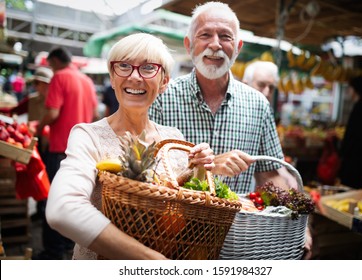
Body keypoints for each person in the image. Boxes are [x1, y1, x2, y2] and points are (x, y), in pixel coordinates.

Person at [149, 1, 311, 259]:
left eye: (225, 36)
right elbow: (149, 173)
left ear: (237, 48)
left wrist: (298, 221)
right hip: (173, 237)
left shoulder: (258, 104)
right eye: (205, 35)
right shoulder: (162, 97)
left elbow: (270, 174)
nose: (215, 44)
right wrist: (208, 166)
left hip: (242, 241)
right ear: (189, 45)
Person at [45, 33, 215, 260]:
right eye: (124, 66)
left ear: (164, 81)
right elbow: (62, 209)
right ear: (113, 77)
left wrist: (199, 170)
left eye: (148, 68)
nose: (135, 77)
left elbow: (187, 214)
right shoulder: (88, 136)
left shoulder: (173, 140)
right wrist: (149, 259)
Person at [34, 47, 99, 260]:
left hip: (60, 148)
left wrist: (37, 126)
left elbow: (52, 112)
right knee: (75, 202)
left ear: (54, 61)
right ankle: (69, 245)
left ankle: (53, 252)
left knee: (53, 201)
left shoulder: (59, 77)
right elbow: (95, 114)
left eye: (50, 64)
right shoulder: (87, 81)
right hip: (82, 151)